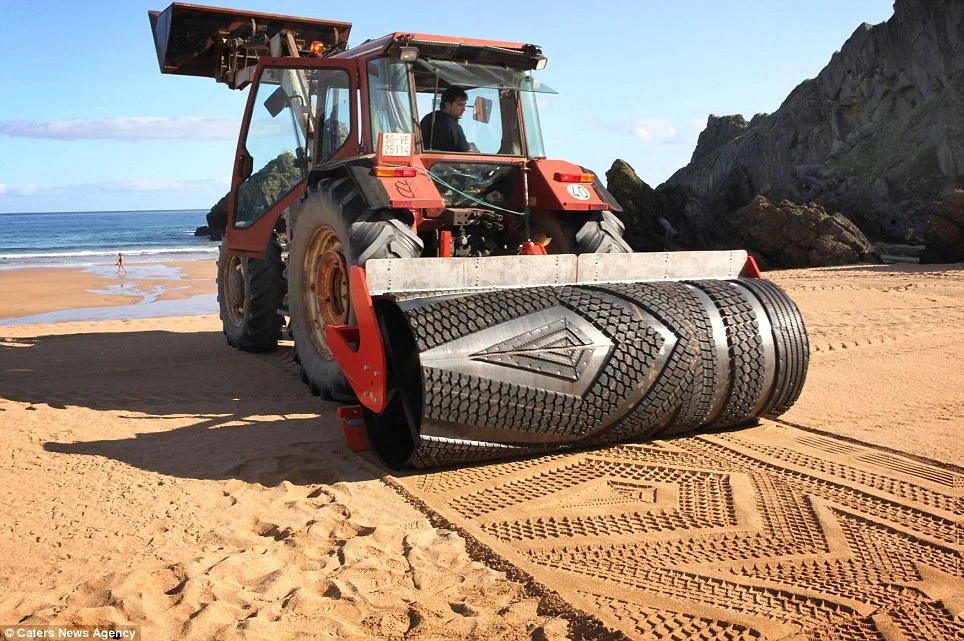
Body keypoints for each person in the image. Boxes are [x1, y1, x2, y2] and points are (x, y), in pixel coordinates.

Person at [420, 86, 471, 152]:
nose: (464, 109)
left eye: (464, 105)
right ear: (447, 105)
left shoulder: (427, 118)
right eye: (460, 105)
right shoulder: (452, 126)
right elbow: (464, 151)